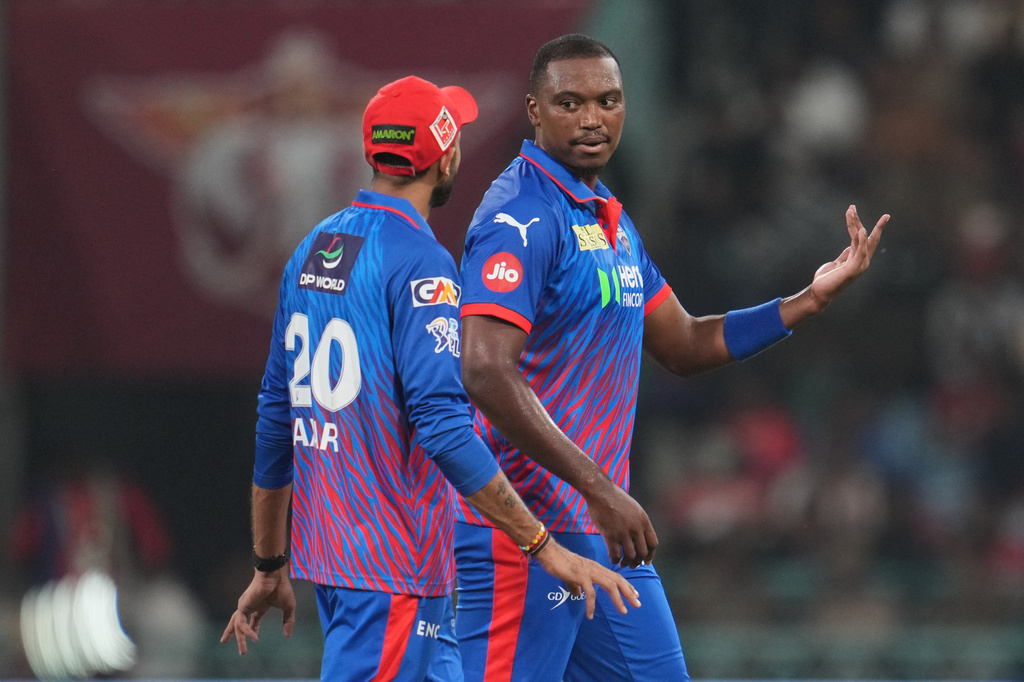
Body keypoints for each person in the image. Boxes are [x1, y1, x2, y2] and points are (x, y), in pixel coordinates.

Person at [453, 34, 889, 681]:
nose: (593, 118)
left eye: (607, 100)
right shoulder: (519, 217)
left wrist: (807, 301)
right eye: (570, 103)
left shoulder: (609, 221)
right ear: (535, 111)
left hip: (599, 529)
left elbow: (683, 343)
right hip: (525, 536)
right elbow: (485, 367)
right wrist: (600, 490)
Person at [220, 75, 642, 682]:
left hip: (344, 567)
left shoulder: (312, 249)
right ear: (445, 156)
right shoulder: (422, 265)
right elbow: (443, 426)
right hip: (392, 570)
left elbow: (275, 415)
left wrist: (268, 562)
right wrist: (543, 546)